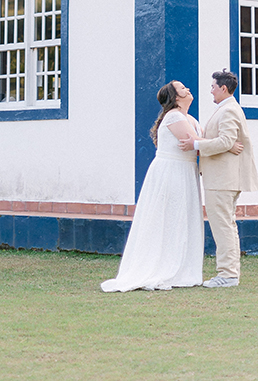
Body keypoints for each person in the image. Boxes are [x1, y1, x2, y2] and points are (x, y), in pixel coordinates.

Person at [101, 80, 240, 292]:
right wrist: (228, 146)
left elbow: (200, 143)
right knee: (170, 217)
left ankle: (182, 268)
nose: (188, 89)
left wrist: (220, 143)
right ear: (176, 98)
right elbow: (197, 143)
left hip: (186, 171)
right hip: (172, 172)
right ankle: (164, 266)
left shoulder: (189, 118)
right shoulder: (174, 116)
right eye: (183, 88)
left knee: (183, 219)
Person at [179, 69, 258, 288]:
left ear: (223, 88)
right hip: (221, 178)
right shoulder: (226, 109)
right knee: (226, 225)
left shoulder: (229, 110)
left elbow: (225, 140)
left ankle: (228, 275)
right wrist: (226, 143)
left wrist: (195, 144)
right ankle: (228, 274)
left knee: (223, 226)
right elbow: (226, 141)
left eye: (213, 87)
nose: (210, 90)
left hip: (223, 179)